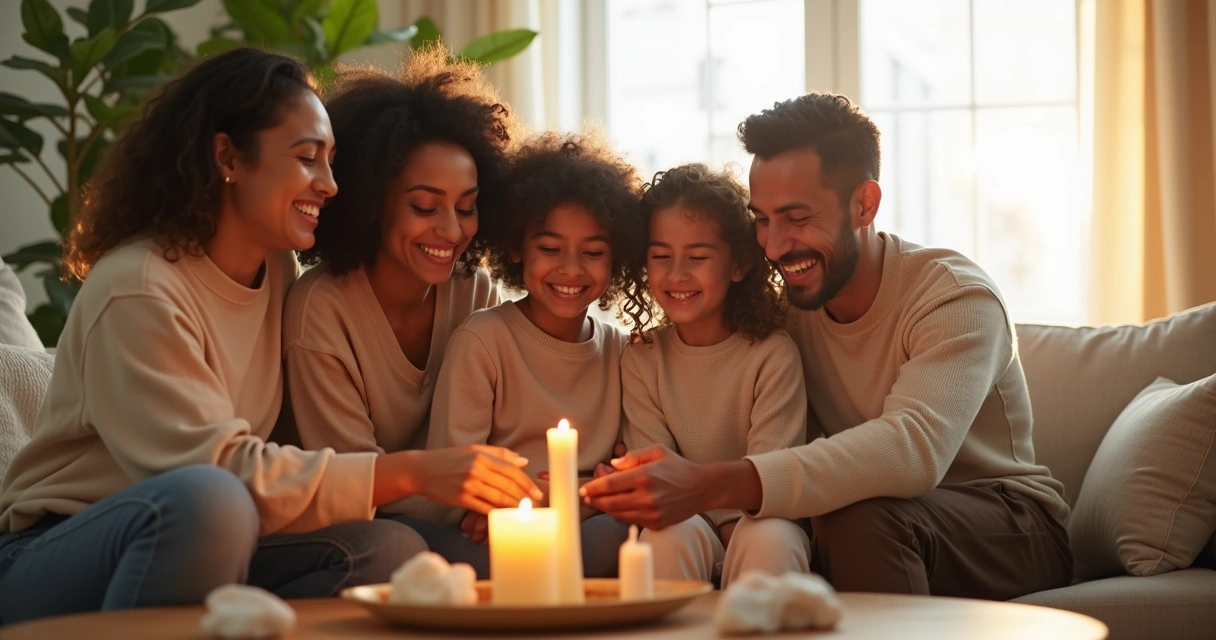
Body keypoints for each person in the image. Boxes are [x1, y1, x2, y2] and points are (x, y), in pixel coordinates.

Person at [0, 48, 538, 625]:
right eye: (309, 158)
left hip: (226, 530)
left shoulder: (277, 267)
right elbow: (219, 470)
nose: (331, 185)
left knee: (389, 551)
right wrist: (410, 472)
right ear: (228, 156)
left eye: (332, 162)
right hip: (61, 547)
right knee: (210, 499)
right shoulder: (139, 287)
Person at [582, 94, 1073, 600]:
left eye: (796, 217)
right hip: (870, 519)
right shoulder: (787, 310)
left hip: (1008, 523)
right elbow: (710, 367)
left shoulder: (954, 297)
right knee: (830, 523)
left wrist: (709, 485)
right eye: (763, 219)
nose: (772, 246)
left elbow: (913, 449)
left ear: (864, 204)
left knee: (858, 519)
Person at [280, 48, 521, 533]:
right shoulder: (320, 311)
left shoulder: (475, 291)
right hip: (362, 530)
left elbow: (507, 432)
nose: (452, 231)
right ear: (372, 203)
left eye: (467, 206)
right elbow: (352, 488)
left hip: (459, 524)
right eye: (425, 207)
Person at [422, 131, 647, 577]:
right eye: (549, 249)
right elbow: (452, 479)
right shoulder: (483, 341)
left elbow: (624, 478)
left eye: (593, 252)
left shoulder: (623, 352)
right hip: (489, 528)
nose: (570, 269)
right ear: (515, 247)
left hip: (587, 525)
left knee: (620, 536)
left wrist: (570, 502)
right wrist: (533, 505)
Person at [621, 163, 809, 587]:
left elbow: (769, 477)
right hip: (686, 523)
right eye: (661, 256)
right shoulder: (641, 359)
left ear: (739, 265)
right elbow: (657, 477)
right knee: (663, 536)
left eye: (698, 257)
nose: (676, 273)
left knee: (769, 538)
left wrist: (728, 531)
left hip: (759, 520)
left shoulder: (772, 355)